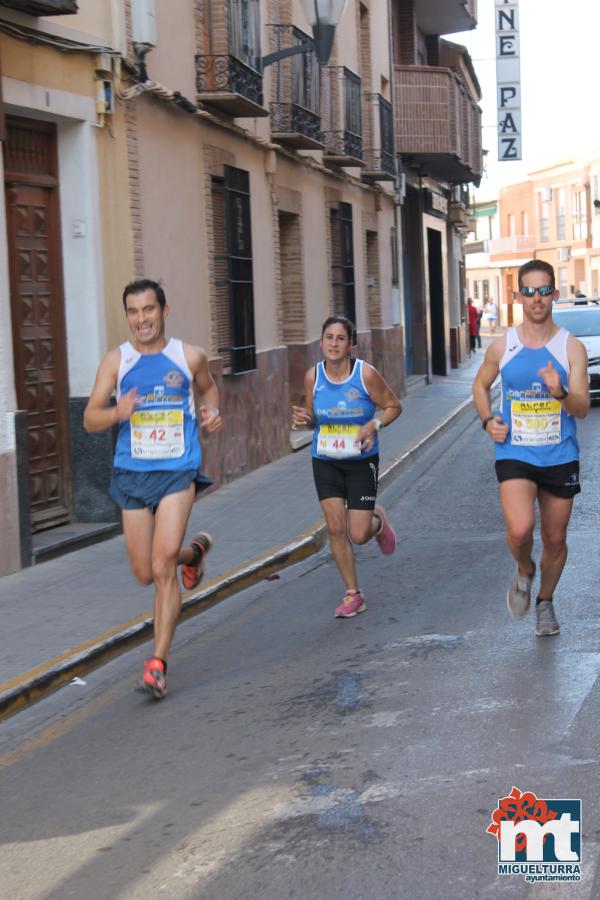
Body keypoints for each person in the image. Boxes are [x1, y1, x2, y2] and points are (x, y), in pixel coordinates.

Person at [84, 279, 222, 698]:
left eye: (148, 310)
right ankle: (193, 553)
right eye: (133, 312)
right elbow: (90, 418)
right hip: (131, 474)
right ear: (127, 316)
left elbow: (209, 387)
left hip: (178, 471)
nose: (141, 319)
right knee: (146, 571)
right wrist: (116, 412)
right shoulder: (116, 362)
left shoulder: (187, 356)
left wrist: (211, 412)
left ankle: (157, 664)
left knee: (162, 566)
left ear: (164, 310)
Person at [473, 260, 589, 636]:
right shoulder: (502, 346)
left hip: (560, 455)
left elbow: (582, 408)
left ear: (555, 294)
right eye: (529, 291)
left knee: (555, 539)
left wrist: (560, 391)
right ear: (518, 296)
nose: (536, 298)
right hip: (515, 452)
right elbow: (479, 386)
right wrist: (489, 420)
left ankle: (545, 602)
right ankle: (524, 568)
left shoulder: (571, 348)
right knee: (521, 530)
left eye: (544, 291)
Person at [292, 316, 402, 618]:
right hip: (325, 459)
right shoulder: (312, 377)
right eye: (329, 337)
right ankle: (353, 593)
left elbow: (394, 406)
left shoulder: (365, 374)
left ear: (350, 344)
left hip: (361, 462)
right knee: (335, 528)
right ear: (321, 342)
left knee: (359, 533)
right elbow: (314, 417)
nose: (334, 344)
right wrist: (306, 420)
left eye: (340, 338)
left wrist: (374, 425)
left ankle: (376, 521)